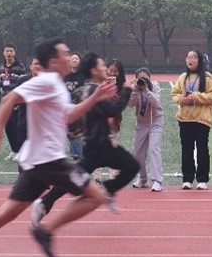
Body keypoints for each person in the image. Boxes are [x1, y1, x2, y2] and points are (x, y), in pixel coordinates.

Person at [0, 37, 117, 257]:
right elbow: (9, 99)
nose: (69, 56)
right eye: (64, 53)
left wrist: (94, 98)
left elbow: (68, 116)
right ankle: (45, 230)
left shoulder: (57, 85)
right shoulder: (45, 81)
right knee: (97, 196)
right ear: (53, 61)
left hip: (38, 161)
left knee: (7, 213)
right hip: (48, 161)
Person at [32, 52, 139, 221]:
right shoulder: (92, 90)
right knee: (132, 166)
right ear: (93, 70)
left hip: (98, 145)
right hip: (99, 146)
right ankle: (105, 190)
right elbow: (113, 110)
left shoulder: (88, 89)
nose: (105, 68)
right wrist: (126, 90)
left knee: (74, 178)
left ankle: (46, 202)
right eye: (102, 65)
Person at [171, 50, 212, 190]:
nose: (190, 60)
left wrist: (197, 96)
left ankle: (202, 179)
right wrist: (182, 99)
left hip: (202, 119)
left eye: (193, 57)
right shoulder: (183, 77)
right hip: (185, 119)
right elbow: (175, 94)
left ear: (200, 60)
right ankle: (187, 179)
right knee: (186, 149)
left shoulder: (207, 78)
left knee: (202, 149)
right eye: (188, 57)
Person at [129, 67, 164, 192]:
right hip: (141, 123)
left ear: (150, 78)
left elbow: (156, 103)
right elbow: (130, 104)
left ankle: (157, 180)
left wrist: (146, 90)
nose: (143, 80)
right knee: (138, 153)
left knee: (154, 148)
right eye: (140, 78)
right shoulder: (135, 88)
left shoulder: (155, 86)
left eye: (145, 78)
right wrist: (134, 90)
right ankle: (143, 178)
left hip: (156, 122)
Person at [0, 42, 26, 161]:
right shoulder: (1, 67)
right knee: (8, 128)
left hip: (16, 103)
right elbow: (2, 83)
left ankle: (21, 150)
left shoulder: (20, 67)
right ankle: (14, 150)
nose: (9, 53)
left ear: (14, 53)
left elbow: (23, 85)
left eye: (11, 51)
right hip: (6, 103)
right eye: (7, 51)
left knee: (17, 127)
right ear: (3, 53)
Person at [14, 58, 41, 148]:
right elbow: (15, 99)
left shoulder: (49, 82)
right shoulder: (22, 81)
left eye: (40, 64)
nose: (38, 66)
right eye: (35, 64)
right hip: (24, 124)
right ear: (30, 66)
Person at [64, 51, 86, 161]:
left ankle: (79, 154)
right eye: (72, 58)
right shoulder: (65, 76)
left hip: (79, 106)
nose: (74, 60)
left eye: (76, 58)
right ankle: (75, 153)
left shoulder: (83, 75)